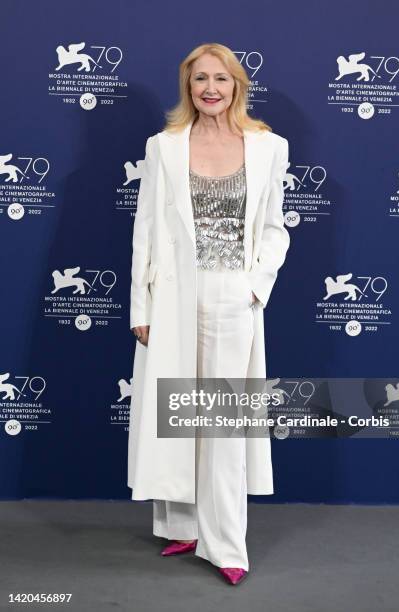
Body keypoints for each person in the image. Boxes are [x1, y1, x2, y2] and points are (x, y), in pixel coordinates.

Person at [128, 42, 290, 585]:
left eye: (221, 78)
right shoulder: (163, 146)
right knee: (177, 417)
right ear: (188, 87)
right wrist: (140, 306)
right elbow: (145, 230)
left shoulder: (269, 147)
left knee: (220, 425)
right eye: (200, 80)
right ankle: (183, 526)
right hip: (173, 298)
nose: (211, 88)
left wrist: (253, 287)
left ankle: (226, 544)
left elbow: (274, 228)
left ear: (237, 85)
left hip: (232, 297)